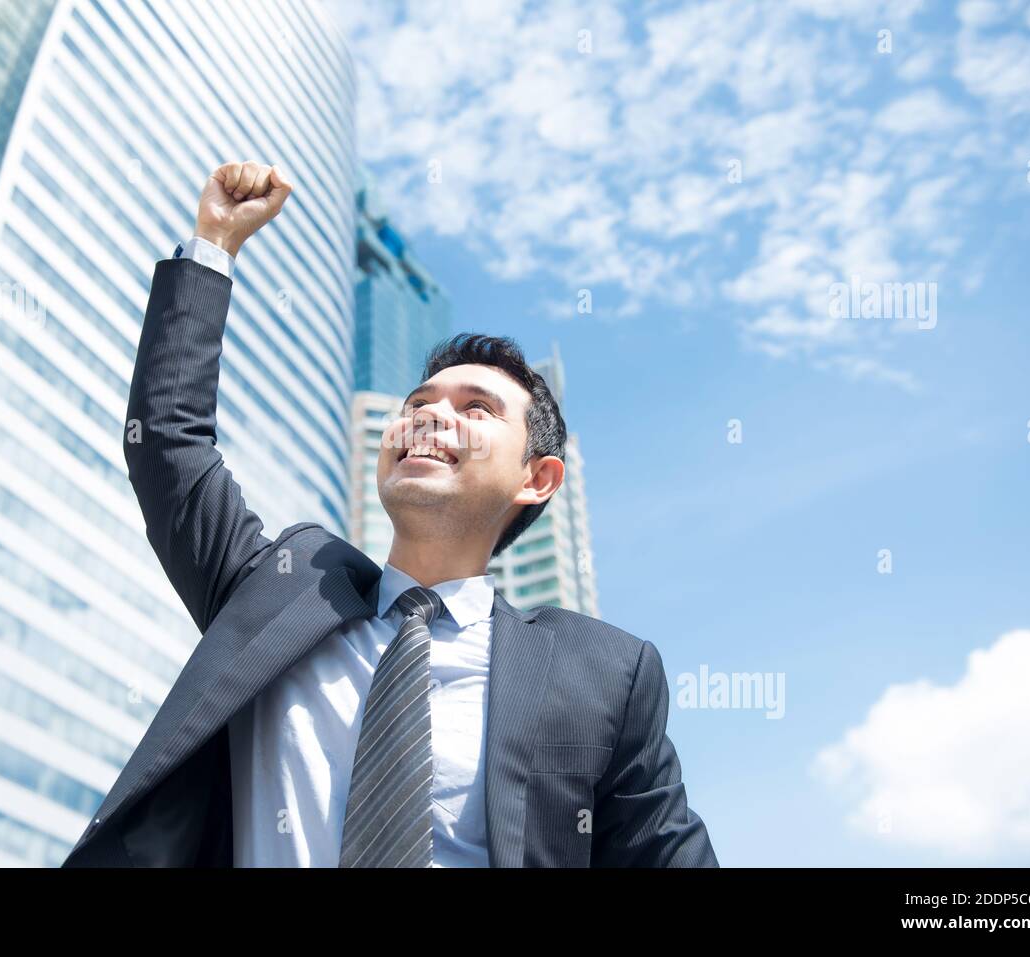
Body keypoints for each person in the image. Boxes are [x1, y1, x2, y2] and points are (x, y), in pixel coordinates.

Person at [62, 160, 718, 868]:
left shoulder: (603, 673)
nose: (430, 415)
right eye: (417, 404)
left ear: (537, 477)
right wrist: (215, 243)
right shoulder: (279, 589)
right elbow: (168, 442)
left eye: (475, 409)